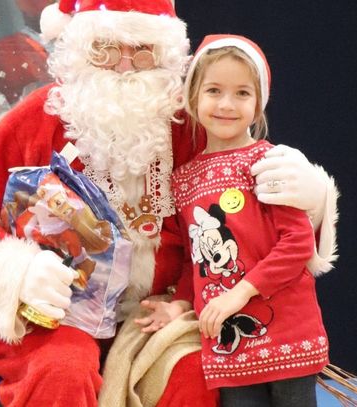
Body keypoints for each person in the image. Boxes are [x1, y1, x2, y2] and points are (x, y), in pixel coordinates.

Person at [0, 1, 338, 406]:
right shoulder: (40, 116)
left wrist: (312, 199)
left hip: (163, 312)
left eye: (142, 52)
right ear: (79, 49)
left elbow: (256, 209)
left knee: (196, 376)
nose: (124, 65)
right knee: (61, 372)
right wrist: (18, 272)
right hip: (57, 314)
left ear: (166, 57)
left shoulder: (192, 125)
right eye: (105, 49)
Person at [134, 34, 331, 406]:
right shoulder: (183, 181)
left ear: (259, 104)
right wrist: (180, 305)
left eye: (242, 93)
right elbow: (195, 262)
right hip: (229, 345)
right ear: (193, 97)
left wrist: (239, 293)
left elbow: (297, 244)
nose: (226, 104)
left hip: (288, 336)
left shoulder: (269, 164)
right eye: (214, 90)